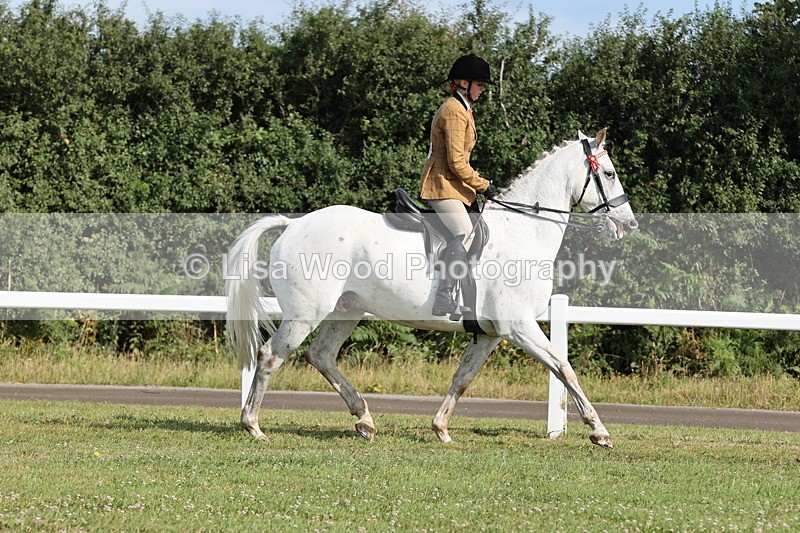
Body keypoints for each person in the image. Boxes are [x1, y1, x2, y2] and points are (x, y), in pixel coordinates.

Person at [420, 53, 497, 317]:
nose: (483, 89)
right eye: (480, 84)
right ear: (463, 83)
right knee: (463, 231)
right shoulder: (453, 111)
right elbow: (455, 162)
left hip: (455, 186)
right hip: (441, 185)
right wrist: (483, 184)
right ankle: (444, 297)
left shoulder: (463, 109)